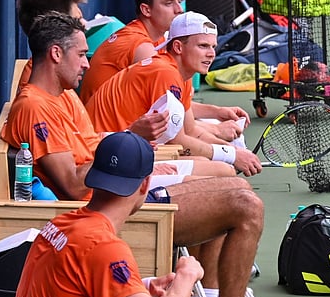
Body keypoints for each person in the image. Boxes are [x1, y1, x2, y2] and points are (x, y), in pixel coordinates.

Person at [3, 12, 265, 297]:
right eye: (82, 54)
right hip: (105, 196)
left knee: (232, 186)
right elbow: (74, 186)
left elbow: (91, 144)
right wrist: (185, 277)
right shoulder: (35, 107)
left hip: (111, 187)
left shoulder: (61, 95)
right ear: (56, 53)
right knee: (245, 203)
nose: (87, 63)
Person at [14, 131, 205, 297]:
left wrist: (141, 287)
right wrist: (187, 275)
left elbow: (75, 287)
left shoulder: (59, 224)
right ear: (146, 183)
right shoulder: (102, 246)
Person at [85, 11, 264, 177]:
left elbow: (191, 131)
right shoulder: (165, 72)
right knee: (222, 170)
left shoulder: (179, 74)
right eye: (203, 46)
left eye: (213, 46)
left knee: (215, 163)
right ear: (178, 47)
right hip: (105, 159)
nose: (211, 54)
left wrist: (235, 151)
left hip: (122, 149)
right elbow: (176, 142)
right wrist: (231, 155)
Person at [75, 0, 247, 142]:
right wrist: (216, 129)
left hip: (128, 126)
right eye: (168, 3)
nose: (178, 10)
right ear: (146, 10)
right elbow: (168, 114)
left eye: (179, 1)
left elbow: (174, 106)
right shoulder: (142, 47)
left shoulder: (155, 41)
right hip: (108, 135)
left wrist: (217, 112)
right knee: (224, 146)